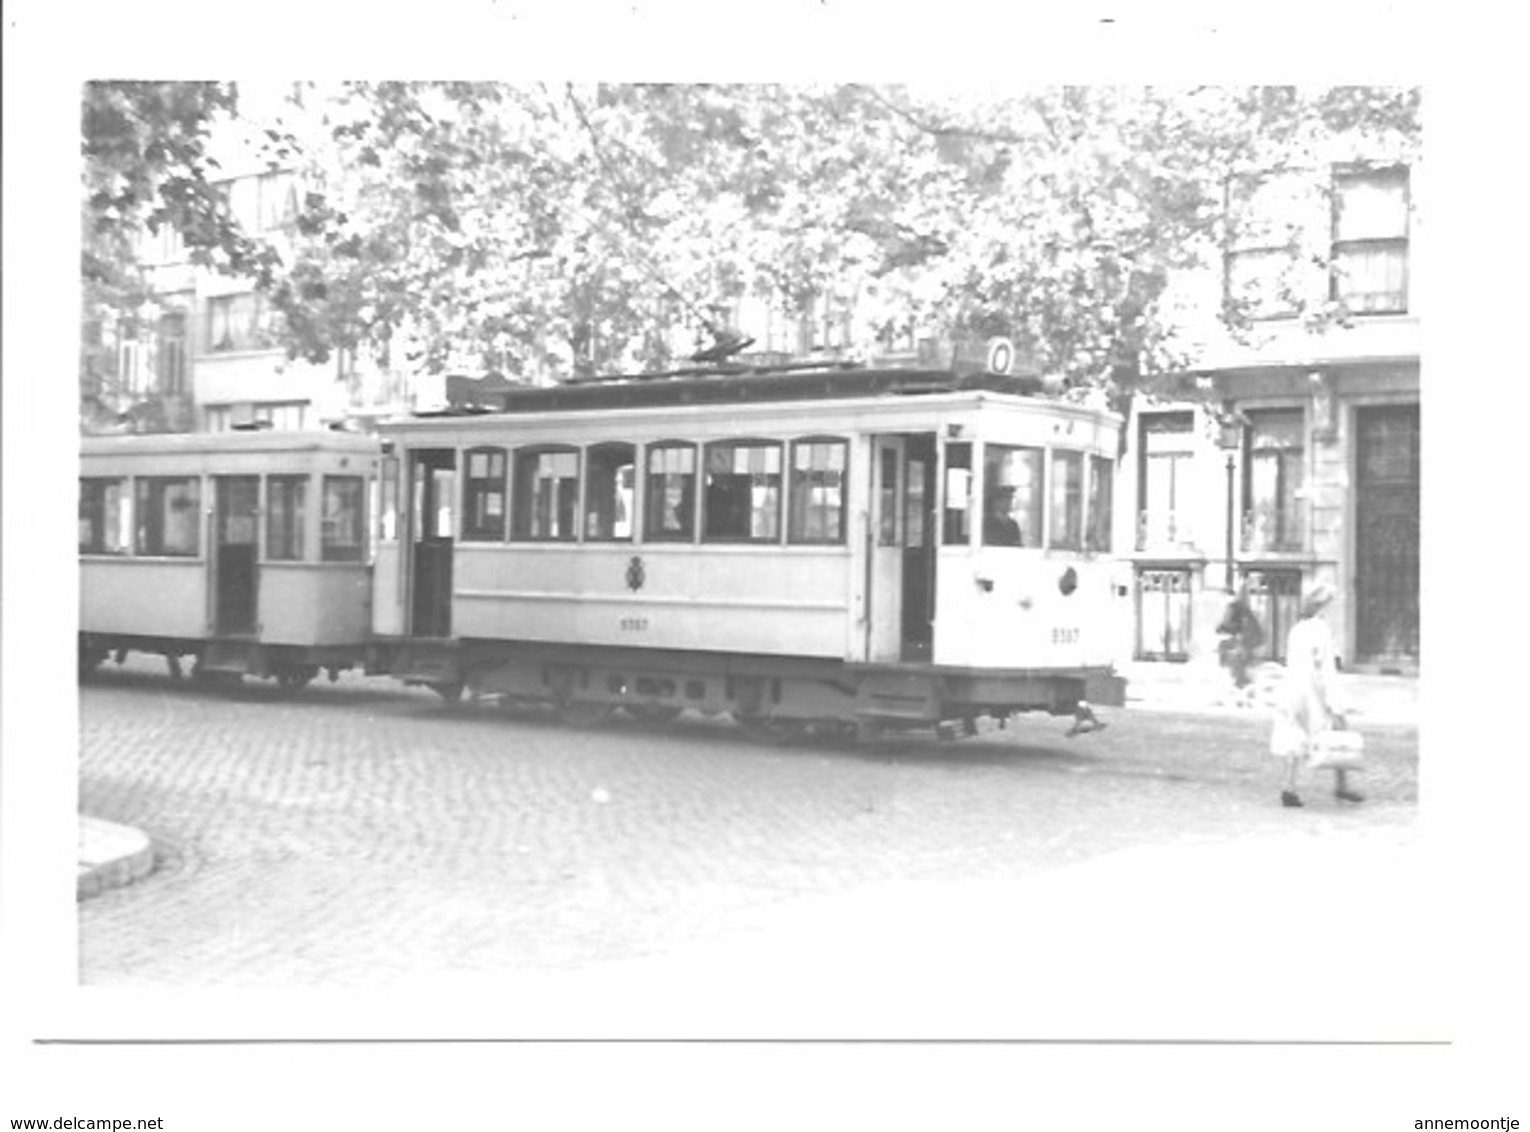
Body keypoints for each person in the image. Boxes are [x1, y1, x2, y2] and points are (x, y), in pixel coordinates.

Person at [1269, 581, 1362, 808]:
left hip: (1292, 689)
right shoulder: (1321, 630)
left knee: (1293, 736)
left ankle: (1288, 787)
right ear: (1323, 606)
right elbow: (1325, 668)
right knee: (1338, 730)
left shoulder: (1297, 629)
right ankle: (1341, 786)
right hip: (1313, 692)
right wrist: (1335, 701)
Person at [1216, 579, 1265, 705]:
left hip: (1239, 645)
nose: (1221, 600)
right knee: (1242, 672)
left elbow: (1227, 625)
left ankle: (1241, 697)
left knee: (1237, 671)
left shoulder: (1233, 607)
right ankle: (1244, 696)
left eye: (1222, 596)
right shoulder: (1243, 607)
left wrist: (1220, 629)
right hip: (1247, 644)